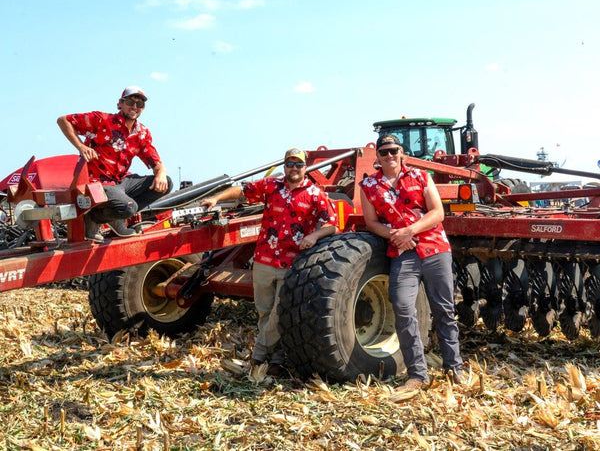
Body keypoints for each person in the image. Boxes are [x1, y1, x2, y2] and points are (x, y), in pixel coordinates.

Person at [201, 148, 337, 376]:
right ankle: (276, 361)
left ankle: (258, 355)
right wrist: (216, 198)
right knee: (265, 312)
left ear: (305, 168)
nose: (294, 168)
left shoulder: (315, 194)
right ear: (284, 166)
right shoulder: (271, 186)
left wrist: (313, 236)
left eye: (298, 164)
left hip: (291, 264)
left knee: (279, 312)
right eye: (289, 163)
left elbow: (331, 223)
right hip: (263, 260)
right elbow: (242, 191)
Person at [360, 134, 463, 392]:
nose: (389, 156)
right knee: (404, 308)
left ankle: (454, 368)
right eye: (384, 152)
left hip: (435, 248)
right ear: (378, 157)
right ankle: (417, 374)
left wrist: (410, 230)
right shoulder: (369, 186)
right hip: (403, 253)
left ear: (401, 152)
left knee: (444, 310)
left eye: (393, 150)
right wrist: (396, 236)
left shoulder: (420, 176)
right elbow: (371, 223)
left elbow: (438, 212)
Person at [57, 86, 172, 242]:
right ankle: (93, 218)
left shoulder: (141, 133)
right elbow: (63, 120)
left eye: (140, 104)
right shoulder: (101, 120)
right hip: (97, 182)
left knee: (166, 183)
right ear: (120, 103)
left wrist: (161, 172)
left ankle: (116, 214)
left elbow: (154, 160)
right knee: (128, 207)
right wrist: (81, 146)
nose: (134, 107)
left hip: (120, 181)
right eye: (131, 101)